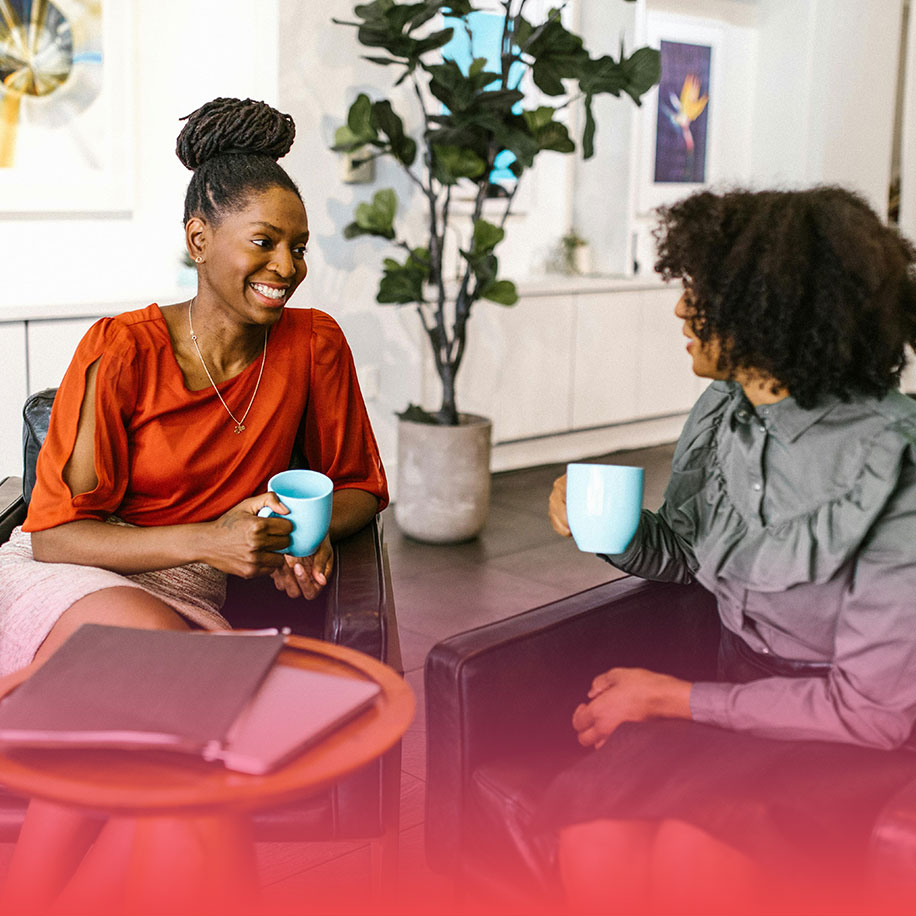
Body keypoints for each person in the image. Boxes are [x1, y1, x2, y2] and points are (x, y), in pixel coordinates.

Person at [0, 96, 387, 911]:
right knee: (143, 668)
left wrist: (297, 535)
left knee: (178, 803)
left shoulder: (314, 346)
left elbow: (358, 488)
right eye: (265, 242)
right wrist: (210, 540)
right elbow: (56, 535)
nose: (288, 265)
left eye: (299, 247)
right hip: (74, 578)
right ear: (199, 240)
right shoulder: (122, 349)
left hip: (183, 600)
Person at [545, 186, 916, 914]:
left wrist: (674, 699)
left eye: (706, 292)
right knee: (593, 835)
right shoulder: (728, 409)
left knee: (698, 855)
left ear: (775, 310)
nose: (682, 310)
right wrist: (614, 533)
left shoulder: (893, 465)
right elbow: (690, 552)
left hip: (846, 735)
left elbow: (873, 713)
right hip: (730, 696)